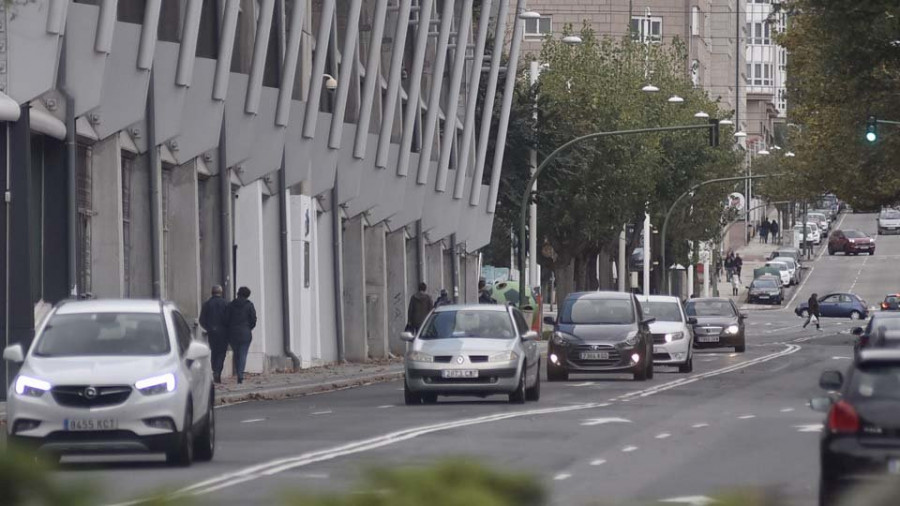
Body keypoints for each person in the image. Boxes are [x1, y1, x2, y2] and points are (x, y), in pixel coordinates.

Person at [225, 286, 257, 384]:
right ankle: (240, 375)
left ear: (238, 293)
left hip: (233, 333)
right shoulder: (249, 305)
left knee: (236, 353)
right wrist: (248, 328)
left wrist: (230, 328)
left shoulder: (231, 305)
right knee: (243, 353)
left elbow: (226, 319)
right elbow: (253, 320)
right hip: (245, 332)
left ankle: (238, 371)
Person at [199, 285, 229, 384]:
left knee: (214, 352)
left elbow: (201, 320)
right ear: (221, 292)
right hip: (223, 333)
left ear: (212, 292)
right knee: (221, 353)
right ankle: (217, 371)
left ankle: (214, 369)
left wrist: (208, 328)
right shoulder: (226, 304)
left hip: (212, 332)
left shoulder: (207, 304)